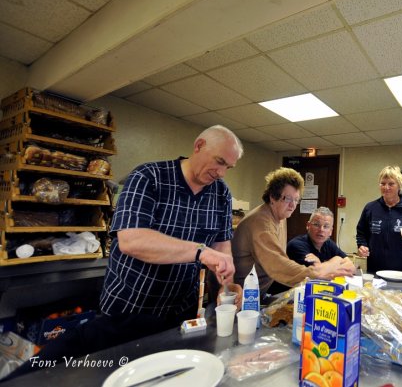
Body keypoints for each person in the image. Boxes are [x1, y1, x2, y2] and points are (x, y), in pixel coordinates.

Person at [8, 125, 243, 378]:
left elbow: (221, 249)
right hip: (128, 312)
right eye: (219, 162)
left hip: (178, 316)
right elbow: (132, 240)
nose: (221, 173)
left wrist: (226, 287)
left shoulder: (222, 194)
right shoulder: (148, 176)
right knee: (113, 376)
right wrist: (201, 252)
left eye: (228, 167)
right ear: (198, 146)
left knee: (162, 379)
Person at [232, 168, 354, 297]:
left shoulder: (280, 217)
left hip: (256, 291)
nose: (293, 205)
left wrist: (327, 266)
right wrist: (319, 273)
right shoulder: (262, 224)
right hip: (238, 294)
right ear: (273, 196)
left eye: (296, 200)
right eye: (288, 199)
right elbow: (278, 266)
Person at [287, 207, 355, 271]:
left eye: (326, 226)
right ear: (308, 226)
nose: (321, 230)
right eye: (316, 225)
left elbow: (351, 267)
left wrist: (326, 264)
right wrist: (337, 260)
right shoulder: (296, 245)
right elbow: (318, 271)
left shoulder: (328, 243)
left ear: (331, 231)